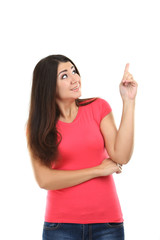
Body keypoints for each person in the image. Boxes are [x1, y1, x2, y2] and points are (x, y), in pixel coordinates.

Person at [26, 54, 138, 240]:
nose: (75, 79)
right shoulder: (38, 125)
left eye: (73, 71)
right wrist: (97, 170)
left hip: (108, 224)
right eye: (64, 76)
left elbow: (122, 156)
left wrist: (129, 101)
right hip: (60, 227)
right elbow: (45, 179)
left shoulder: (98, 107)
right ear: (48, 86)